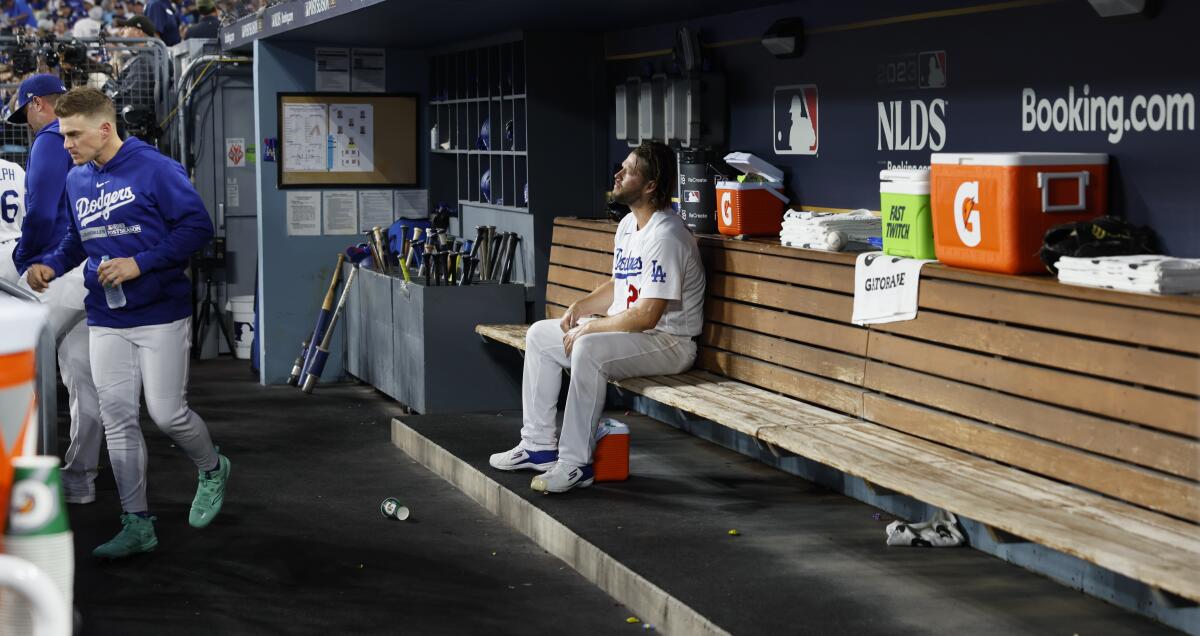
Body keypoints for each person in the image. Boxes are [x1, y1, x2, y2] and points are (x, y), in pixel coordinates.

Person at [27, 87, 230, 558]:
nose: (66, 145)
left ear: (104, 127)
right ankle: (137, 522)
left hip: (159, 311)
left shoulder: (155, 168)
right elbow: (78, 240)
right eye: (61, 136)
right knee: (118, 418)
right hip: (105, 315)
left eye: (74, 134)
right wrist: (52, 264)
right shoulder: (78, 179)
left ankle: (213, 467)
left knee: (167, 414)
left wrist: (140, 263)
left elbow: (197, 228)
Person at [489, 141, 705, 493]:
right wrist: (583, 306)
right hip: (634, 336)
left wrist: (592, 329)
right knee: (541, 337)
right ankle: (538, 447)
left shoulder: (667, 235)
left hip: (670, 342)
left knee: (588, 350)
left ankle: (575, 464)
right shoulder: (628, 227)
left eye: (629, 170)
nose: (618, 174)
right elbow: (622, 284)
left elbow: (648, 315)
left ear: (650, 186)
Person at [3, 73, 102, 505]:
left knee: (20, 363)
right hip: (93, 267)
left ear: (39, 103)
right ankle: (80, 479)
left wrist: (27, 259)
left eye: (25, 110)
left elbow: (41, 212)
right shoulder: (95, 140)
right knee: (83, 375)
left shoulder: (48, 139)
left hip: (57, 269)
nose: (25, 120)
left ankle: (23, 478)